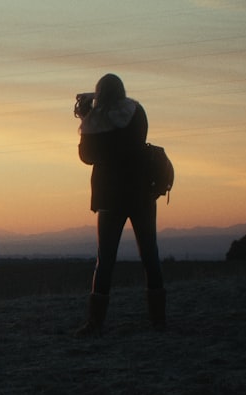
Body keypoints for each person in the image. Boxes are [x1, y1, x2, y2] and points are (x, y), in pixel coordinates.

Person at [75, 73, 165, 336]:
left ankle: (95, 323)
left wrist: (86, 117)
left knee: (105, 259)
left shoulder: (97, 121)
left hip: (110, 195)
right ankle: (158, 320)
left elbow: (87, 156)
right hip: (141, 191)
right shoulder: (137, 112)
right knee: (150, 254)